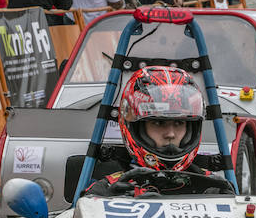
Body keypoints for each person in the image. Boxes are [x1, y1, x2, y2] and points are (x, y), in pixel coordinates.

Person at [84, 66, 232, 197]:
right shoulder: (105, 191)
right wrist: (112, 205)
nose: (171, 134)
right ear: (134, 127)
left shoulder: (215, 188)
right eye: (159, 123)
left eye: (179, 123)